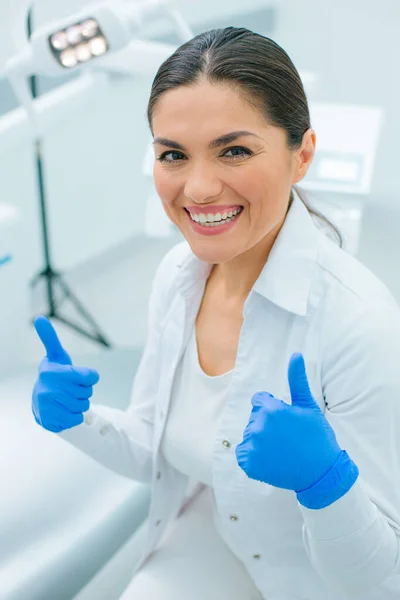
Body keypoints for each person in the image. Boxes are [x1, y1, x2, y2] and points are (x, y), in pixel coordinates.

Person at [31, 27, 400, 600]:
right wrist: (78, 420)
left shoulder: (361, 326)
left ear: (301, 154)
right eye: (173, 155)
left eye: (234, 150)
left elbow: (379, 582)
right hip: (217, 538)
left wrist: (326, 486)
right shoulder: (177, 279)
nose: (199, 188)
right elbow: (155, 446)